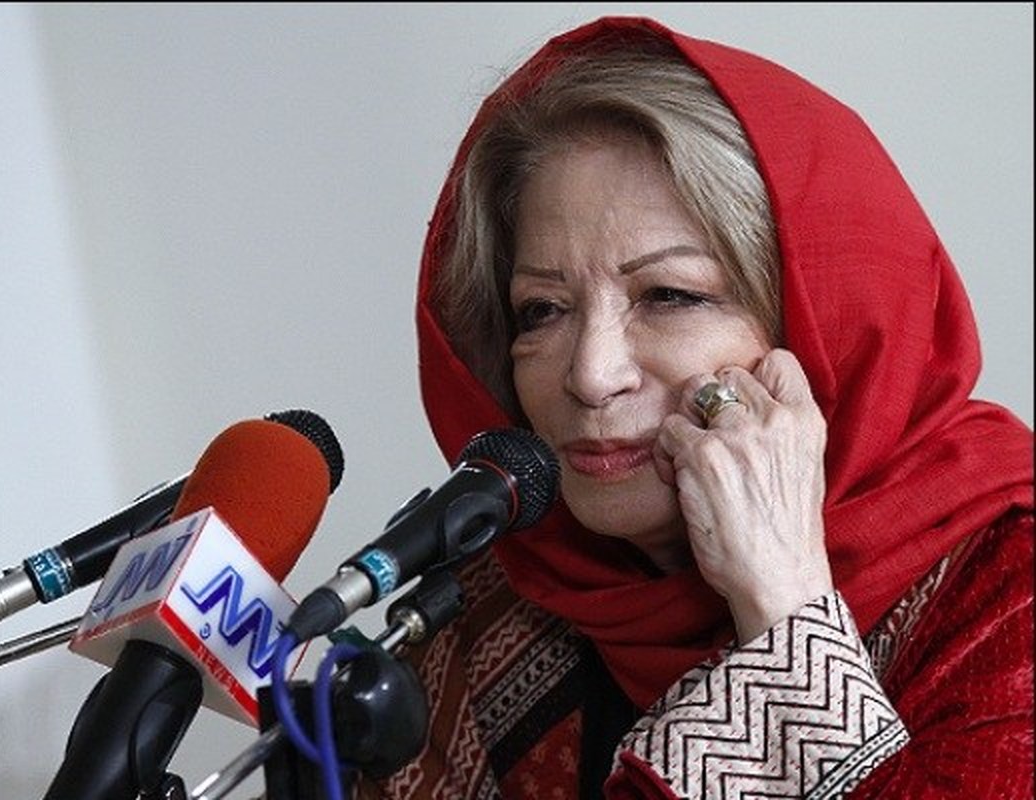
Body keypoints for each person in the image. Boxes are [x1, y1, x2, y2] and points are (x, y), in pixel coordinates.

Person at [353, 15, 1034, 800]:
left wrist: (783, 602)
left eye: (671, 296)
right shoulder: (488, 615)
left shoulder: (1008, 588)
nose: (592, 377)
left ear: (825, 327)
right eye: (542, 309)